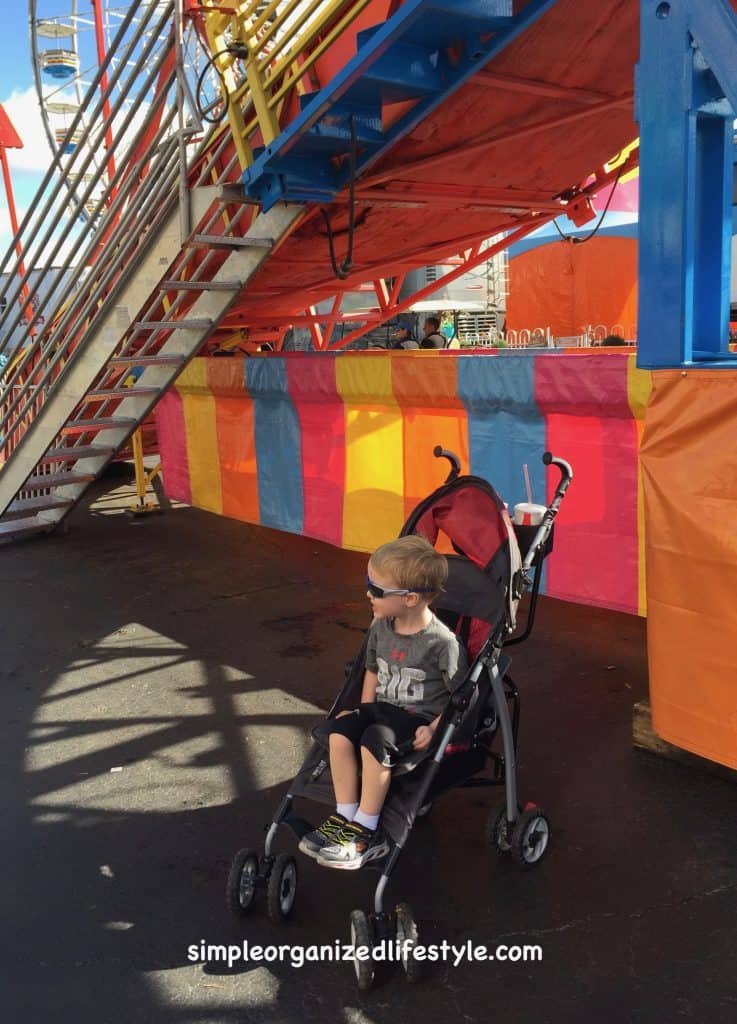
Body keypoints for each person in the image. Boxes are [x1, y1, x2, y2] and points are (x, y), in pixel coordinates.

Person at [298, 535, 467, 869]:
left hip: (414, 717)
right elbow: (372, 671)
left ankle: (366, 828)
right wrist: (361, 710)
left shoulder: (442, 643)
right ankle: (344, 816)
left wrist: (435, 727)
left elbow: (460, 693)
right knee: (339, 731)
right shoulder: (381, 627)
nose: (368, 594)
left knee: (375, 740)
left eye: (376, 590)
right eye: (368, 584)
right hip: (380, 709)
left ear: (410, 599)